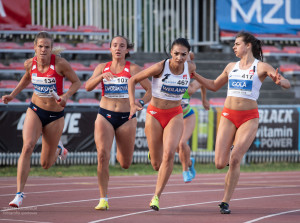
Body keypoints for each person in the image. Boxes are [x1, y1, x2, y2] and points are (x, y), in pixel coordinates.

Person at [192, 31, 291, 214]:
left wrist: (281, 81)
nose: (234, 47)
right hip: (228, 115)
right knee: (220, 163)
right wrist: (195, 75)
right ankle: (231, 154)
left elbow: (285, 83)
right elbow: (214, 85)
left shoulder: (260, 66)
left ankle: (225, 201)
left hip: (249, 118)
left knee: (235, 158)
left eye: (237, 44)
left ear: (248, 45)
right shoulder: (231, 66)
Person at [2, 31, 81, 208]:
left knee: (45, 164)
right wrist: (12, 95)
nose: (43, 50)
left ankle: (59, 149)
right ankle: (19, 194)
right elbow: (26, 78)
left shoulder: (60, 64)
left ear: (51, 49)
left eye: (47, 47)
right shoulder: (30, 64)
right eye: (40, 46)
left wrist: (66, 96)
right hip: (35, 110)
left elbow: (77, 82)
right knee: (28, 146)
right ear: (34, 48)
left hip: (55, 116)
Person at [128, 38, 199, 211]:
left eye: (183, 54)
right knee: (157, 164)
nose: (179, 58)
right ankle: (153, 154)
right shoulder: (160, 67)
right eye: (176, 54)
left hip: (175, 114)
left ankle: (156, 197)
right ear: (171, 53)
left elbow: (196, 81)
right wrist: (132, 103)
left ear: (188, 55)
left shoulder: (190, 68)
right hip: (154, 114)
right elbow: (133, 80)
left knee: (169, 155)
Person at [85, 35, 151, 211]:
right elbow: (87, 87)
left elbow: (150, 89)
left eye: (122, 46)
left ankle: (122, 158)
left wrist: (141, 103)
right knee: (102, 156)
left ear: (127, 50)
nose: (118, 48)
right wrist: (100, 77)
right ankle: (103, 198)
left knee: (125, 163)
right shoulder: (102, 67)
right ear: (110, 49)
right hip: (104, 115)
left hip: (126, 118)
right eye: (115, 45)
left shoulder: (134, 69)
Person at [178, 80, 210, 183]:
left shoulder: (188, 89)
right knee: (176, 148)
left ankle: (185, 171)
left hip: (188, 116)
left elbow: (201, 83)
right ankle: (190, 162)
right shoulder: (166, 89)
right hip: (174, 119)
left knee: (182, 143)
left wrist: (204, 100)